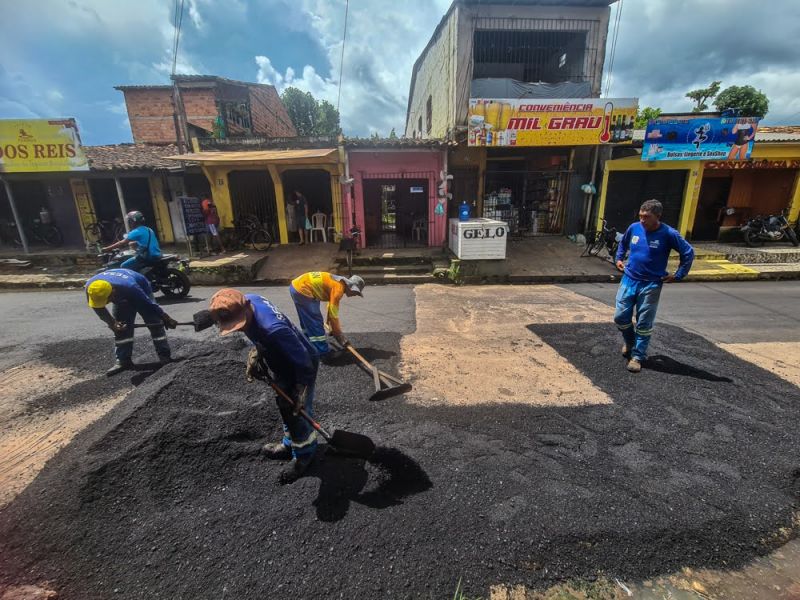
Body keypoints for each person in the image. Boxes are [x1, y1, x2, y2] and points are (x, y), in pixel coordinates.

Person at [209, 288, 319, 483]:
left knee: (297, 412)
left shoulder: (273, 328)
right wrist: (257, 352)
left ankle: (305, 454)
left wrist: (301, 390)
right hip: (280, 358)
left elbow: (303, 360)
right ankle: (289, 444)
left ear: (247, 307)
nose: (241, 329)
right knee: (284, 406)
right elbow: (256, 332)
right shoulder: (249, 299)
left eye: (240, 324)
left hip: (301, 365)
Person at [614, 199, 694, 373]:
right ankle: (630, 341)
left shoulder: (669, 234)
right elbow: (623, 243)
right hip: (629, 279)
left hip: (651, 284)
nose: (642, 220)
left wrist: (678, 275)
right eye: (641, 216)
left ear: (657, 216)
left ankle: (637, 356)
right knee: (620, 317)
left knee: (644, 321)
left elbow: (688, 252)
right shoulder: (634, 228)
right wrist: (619, 258)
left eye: (647, 217)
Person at [85, 268, 178, 375]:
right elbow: (99, 309)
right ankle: (123, 360)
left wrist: (165, 318)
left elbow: (149, 304)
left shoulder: (131, 288)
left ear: (113, 291)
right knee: (121, 327)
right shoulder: (91, 289)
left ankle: (164, 356)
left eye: (107, 300)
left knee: (154, 322)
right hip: (121, 291)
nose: (106, 303)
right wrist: (112, 323)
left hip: (140, 285)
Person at [289, 271, 365, 356]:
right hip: (303, 289)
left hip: (295, 286)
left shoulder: (339, 282)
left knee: (307, 320)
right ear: (351, 287)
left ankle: (308, 345)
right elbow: (334, 316)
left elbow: (330, 307)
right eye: (356, 292)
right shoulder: (338, 290)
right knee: (315, 322)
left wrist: (330, 325)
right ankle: (323, 352)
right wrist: (338, 335)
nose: (355, 295)